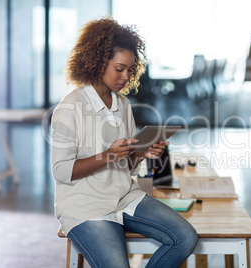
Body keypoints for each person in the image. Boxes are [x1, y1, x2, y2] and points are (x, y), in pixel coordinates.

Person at [51, 17, 198, 268]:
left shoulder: (122, 104)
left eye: (130, 69)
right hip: (86, 207)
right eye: (119, 68)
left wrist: (143, 152)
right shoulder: (70, 107)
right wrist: (107, 155)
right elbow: (61, 171)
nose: (125, 76)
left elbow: (127, 167)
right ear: (97, 62)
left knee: (185, 237)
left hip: (124, 197)